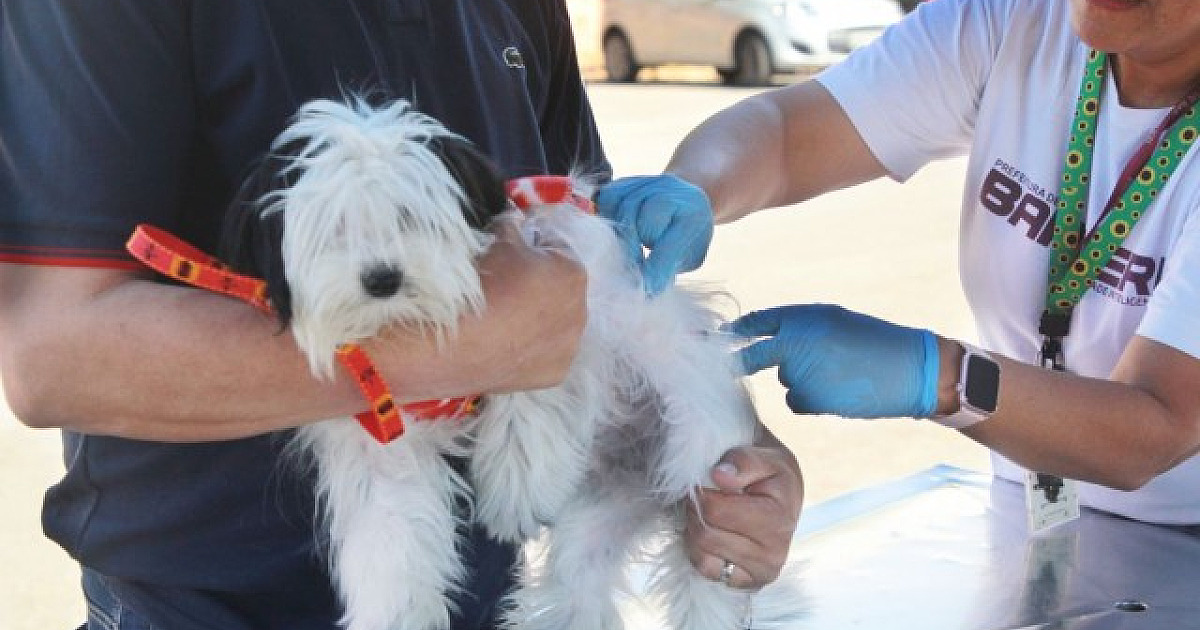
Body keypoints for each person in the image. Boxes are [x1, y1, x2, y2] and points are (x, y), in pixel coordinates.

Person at [0, 2, 801, 629]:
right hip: (201, 610)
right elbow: (49, 358)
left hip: (499, 600)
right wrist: (472, 350)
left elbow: (600, 276)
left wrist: (729, 456)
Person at [597, 0, 1200, 530]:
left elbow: (1152, 429)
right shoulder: (1014, 19)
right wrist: (693, 188)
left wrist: (940, 377)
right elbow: (786, 134)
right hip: (1037, 518)